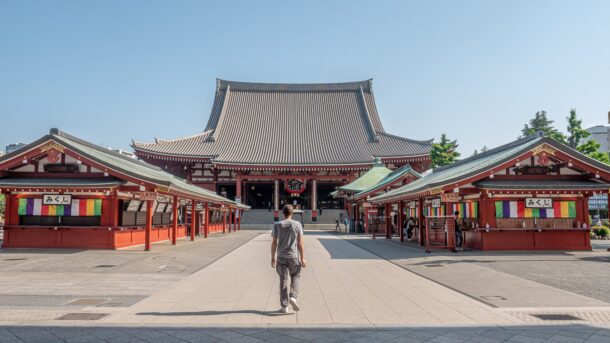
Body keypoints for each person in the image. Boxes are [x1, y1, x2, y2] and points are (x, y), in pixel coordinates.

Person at [271, 205, 306, 313]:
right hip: (293, 256)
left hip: (281, 256)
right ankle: (293, 297)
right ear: (292, 213)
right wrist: (303, 258)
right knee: (296, 276)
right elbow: (300, 243)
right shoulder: (297, 224)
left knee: (283, 280)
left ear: (283, 213)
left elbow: (274, 243)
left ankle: (284, 306)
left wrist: (273, 257)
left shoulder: (277, 225)